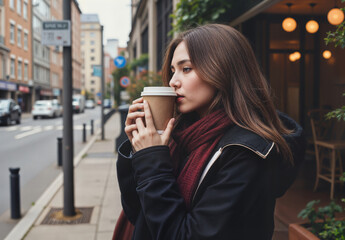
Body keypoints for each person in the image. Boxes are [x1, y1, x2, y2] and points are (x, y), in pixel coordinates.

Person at [116, 24, 305, 240]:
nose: (172, 82)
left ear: (222, 69)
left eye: (186, 69)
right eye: (172, 71)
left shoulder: (247, 153)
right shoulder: (182, 136)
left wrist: (153, 164)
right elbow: (139, 214)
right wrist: (137, 152)